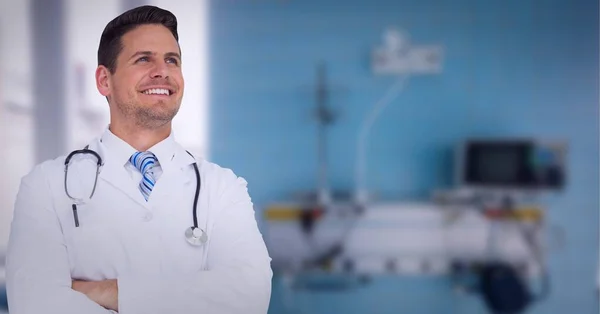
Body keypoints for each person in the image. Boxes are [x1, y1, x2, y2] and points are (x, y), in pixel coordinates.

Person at [5, 5, 272, 314]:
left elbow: (249, 296)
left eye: (172, 60)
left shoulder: (223, 187)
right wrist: (194, 296)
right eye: (144, 58)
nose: (163, 71)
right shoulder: (46, 186)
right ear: (104, 80)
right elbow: (34, 303)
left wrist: (105, 291)